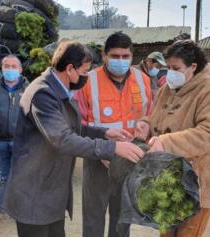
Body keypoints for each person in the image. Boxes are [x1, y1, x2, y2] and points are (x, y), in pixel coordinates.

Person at [3, 40, 145, 237]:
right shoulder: (42, 93)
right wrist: (112, 148)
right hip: (34, 192)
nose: (86, 76)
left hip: (50, 189)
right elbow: (63, 139)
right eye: (84, 72)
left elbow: (72, 128)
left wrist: (103, 133)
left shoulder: (58, 89)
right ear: (70, 69)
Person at [135, 40, 210, 237]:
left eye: (175, 68)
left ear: (193, 67)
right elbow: (155, 115)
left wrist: (167, 142)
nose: (170, 73)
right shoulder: (166, 89)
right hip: (167, 181)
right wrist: (145, 123)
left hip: (197, 182)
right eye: (168, 67)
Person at [75, 32, 152, 237]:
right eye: (115, 56)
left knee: (122, 220)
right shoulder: (87, 81)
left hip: (129, 162)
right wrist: (102, 150)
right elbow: (78, 124)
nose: (121, 60)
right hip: (98, 160)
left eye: (125, 56)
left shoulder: (142, 80)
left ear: (132, 56)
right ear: (104, 55)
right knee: (93, 218)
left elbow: (151, 115)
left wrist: (147, 125)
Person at [0, 55, 28, 214]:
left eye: (14, 67)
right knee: (2, 178)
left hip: (22, 143)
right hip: (0, 142)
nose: (10, 70)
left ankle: (21, 210)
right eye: (6, 66)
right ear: (1, 68)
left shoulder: (29, 90)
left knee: (23, 177)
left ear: (20, 69)